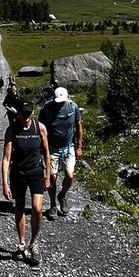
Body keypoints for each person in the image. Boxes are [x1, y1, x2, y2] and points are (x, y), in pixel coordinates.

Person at [1, 99, 50, 265]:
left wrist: (48, 175)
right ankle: (22, 243)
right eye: (24, 113)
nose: (27, 116)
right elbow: (6, 158)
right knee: (19, 207)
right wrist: (5, 183)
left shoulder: (40, 127)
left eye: (29, 113)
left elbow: (46, 152)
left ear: (33, 112)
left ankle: (34, 243)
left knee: (37, 208)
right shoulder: (12, 129)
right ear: (18, 113)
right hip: (18, 173)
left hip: (36, 171)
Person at [38, 86, 83, 219]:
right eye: (57, 102)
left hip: (68, 147)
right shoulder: (46, 109)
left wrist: (79, 146)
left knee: (69, 175)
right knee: (52, 177)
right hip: (52, 148)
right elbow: (40, 129)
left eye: (62, 102)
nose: (59, 105)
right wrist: (41, 148)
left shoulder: (73, 107)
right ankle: (52, 205)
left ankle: (62, 195)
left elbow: (79, 127)